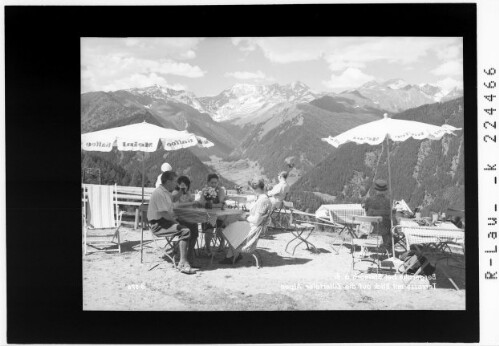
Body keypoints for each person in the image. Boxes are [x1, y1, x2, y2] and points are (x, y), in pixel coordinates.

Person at [147, 171, 197, 274]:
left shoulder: (165, 191)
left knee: (193, 225)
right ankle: (182, 263)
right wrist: (176, 222)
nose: (176, 184)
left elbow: (174, 198)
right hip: (159, 225)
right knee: (185, 230)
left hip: (165, 221)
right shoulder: (159, 193)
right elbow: (164, 214)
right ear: (168, 181)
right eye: (175, 182)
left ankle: (190, 256)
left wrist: (181, 190)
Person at [219, 178, 272, 264]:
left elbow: (256, 220)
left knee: (226, 228)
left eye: (251, 188)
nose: (251, 190)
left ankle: (234, 253)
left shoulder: (263, 200)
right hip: (253, 225)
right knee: (229, 223)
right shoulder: (263, 197)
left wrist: (245, 218)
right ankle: (231, 254)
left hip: (254, 228)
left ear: (256, 188)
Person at [195, 173, 227, 255]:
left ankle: (222, 241)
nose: (214, 184)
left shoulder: (221, 190)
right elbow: (202, 202)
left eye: (215, 183)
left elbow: (221, 203)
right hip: (208, 215)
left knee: (220, 227)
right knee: (209, 228)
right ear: (208, 182)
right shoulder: (205, 190)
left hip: (219, 215)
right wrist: (210, 204)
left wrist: (209, 204)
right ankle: (208, 249)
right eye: (212, 182)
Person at [172, 175, 200, 267]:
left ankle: (190, 254)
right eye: (182, 185)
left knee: (195, 228)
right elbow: (176, 207)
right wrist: (191, 203)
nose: (184, 187)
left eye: (186, 185)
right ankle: (186, 257)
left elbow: (191, 204)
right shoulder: (175, 193)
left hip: (187, 216)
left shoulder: (188, 193)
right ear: (178, 185)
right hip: (177, 218)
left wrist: (194, 204)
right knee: (189, 227)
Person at [364, 179, 392, 250]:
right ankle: (387, 245)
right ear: (385, 190)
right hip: (385, 230)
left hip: (371, 228)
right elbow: (390, 214)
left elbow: (367, 212)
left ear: (376, 189)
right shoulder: (389, 201)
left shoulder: (369, 200)